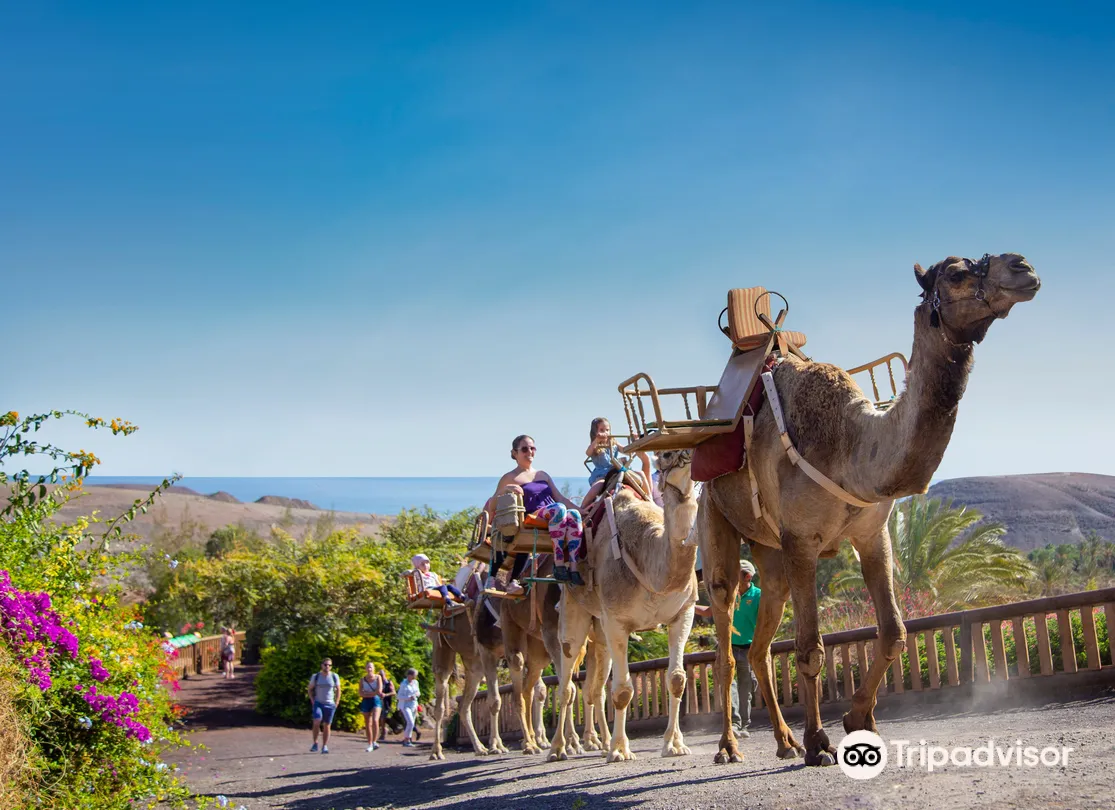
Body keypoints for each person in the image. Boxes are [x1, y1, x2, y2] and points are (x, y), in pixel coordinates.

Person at [487, 434, 585, 588]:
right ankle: (558, 564)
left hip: (554, 515)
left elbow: (560, 497)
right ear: (515, 453)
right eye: (525, 449)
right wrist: (506, 489)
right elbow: (492, 504)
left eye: (532, 448)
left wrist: (582, 510)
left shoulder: (543, 475)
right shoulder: (510, 477)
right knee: (558, 509)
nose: (530, 452)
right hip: (532, 516)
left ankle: (573, 569)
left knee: (574, 515)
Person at [693, 559, 760, 737]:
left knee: (746, 689)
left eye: (736, 574)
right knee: (729, 686)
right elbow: (709, 612)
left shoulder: (759, 596)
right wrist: (689, 606)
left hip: (749, 649)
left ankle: (744, 725)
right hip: (727, 647)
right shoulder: (729, 594)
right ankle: (735, 724)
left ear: (747, 576)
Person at [580, 417, 655, 509]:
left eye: (607, 430)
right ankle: (582, 506)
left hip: (617, 469)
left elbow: (625, 450)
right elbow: (588, 452)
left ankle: (650, 499)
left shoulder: (613, 442)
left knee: (641, 474)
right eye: (601, 430)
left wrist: (634, 442)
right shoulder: (595, 446)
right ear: (595, 432)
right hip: (602, 474)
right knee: (599, 485)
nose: (605, 433)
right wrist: (596, 440)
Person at [307, 658, 340, 754]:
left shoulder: (334, 676)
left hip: (330, 704)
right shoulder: (316, 676)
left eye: (329, 665)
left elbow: (338, 689)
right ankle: (315, 742)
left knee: (327, 725)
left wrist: (337, 702)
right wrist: (312, 700)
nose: (327, 667)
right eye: (325, 665)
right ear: (322, 665)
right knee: (317, 721)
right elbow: (310, 689)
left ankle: (324, 745)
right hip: (318, 703)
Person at [359, 661, 383, 752]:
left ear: (374, 669)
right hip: (366, 701)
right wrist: (369, 694)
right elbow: (360, 693)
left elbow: (378, 691)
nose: (369, 669)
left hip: (376, 700)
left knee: (375, 720)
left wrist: (367, 693)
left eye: (371, 667)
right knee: (367, 723)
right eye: (368, 667)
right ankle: (369, 743)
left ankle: (374, 741)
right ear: (365, 669)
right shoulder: (362, 679)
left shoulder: (378, 677)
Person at [398, 668, 421, 747]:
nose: (414, 678)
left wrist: (416, 695)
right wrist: (408, 698)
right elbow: (399, 696)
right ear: (409, 675)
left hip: (414, 705)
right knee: (410, 722)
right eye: (413, 676)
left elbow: (418, 692)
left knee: (412, 723)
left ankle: (407, 740)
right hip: (405, 705)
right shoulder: (403, 684)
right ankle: (406, 739)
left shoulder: (415, 683)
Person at [378, 668, 396, 741]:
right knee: (378, 719)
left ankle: (383, 733)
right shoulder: (378, 683)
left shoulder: (389, 683)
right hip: (378, 702)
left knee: (383, 718)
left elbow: (393, 692)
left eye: (382, 675)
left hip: (386, 703)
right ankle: (384, 729)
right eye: (380, 675)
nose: (381, 676)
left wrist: (385, 695)